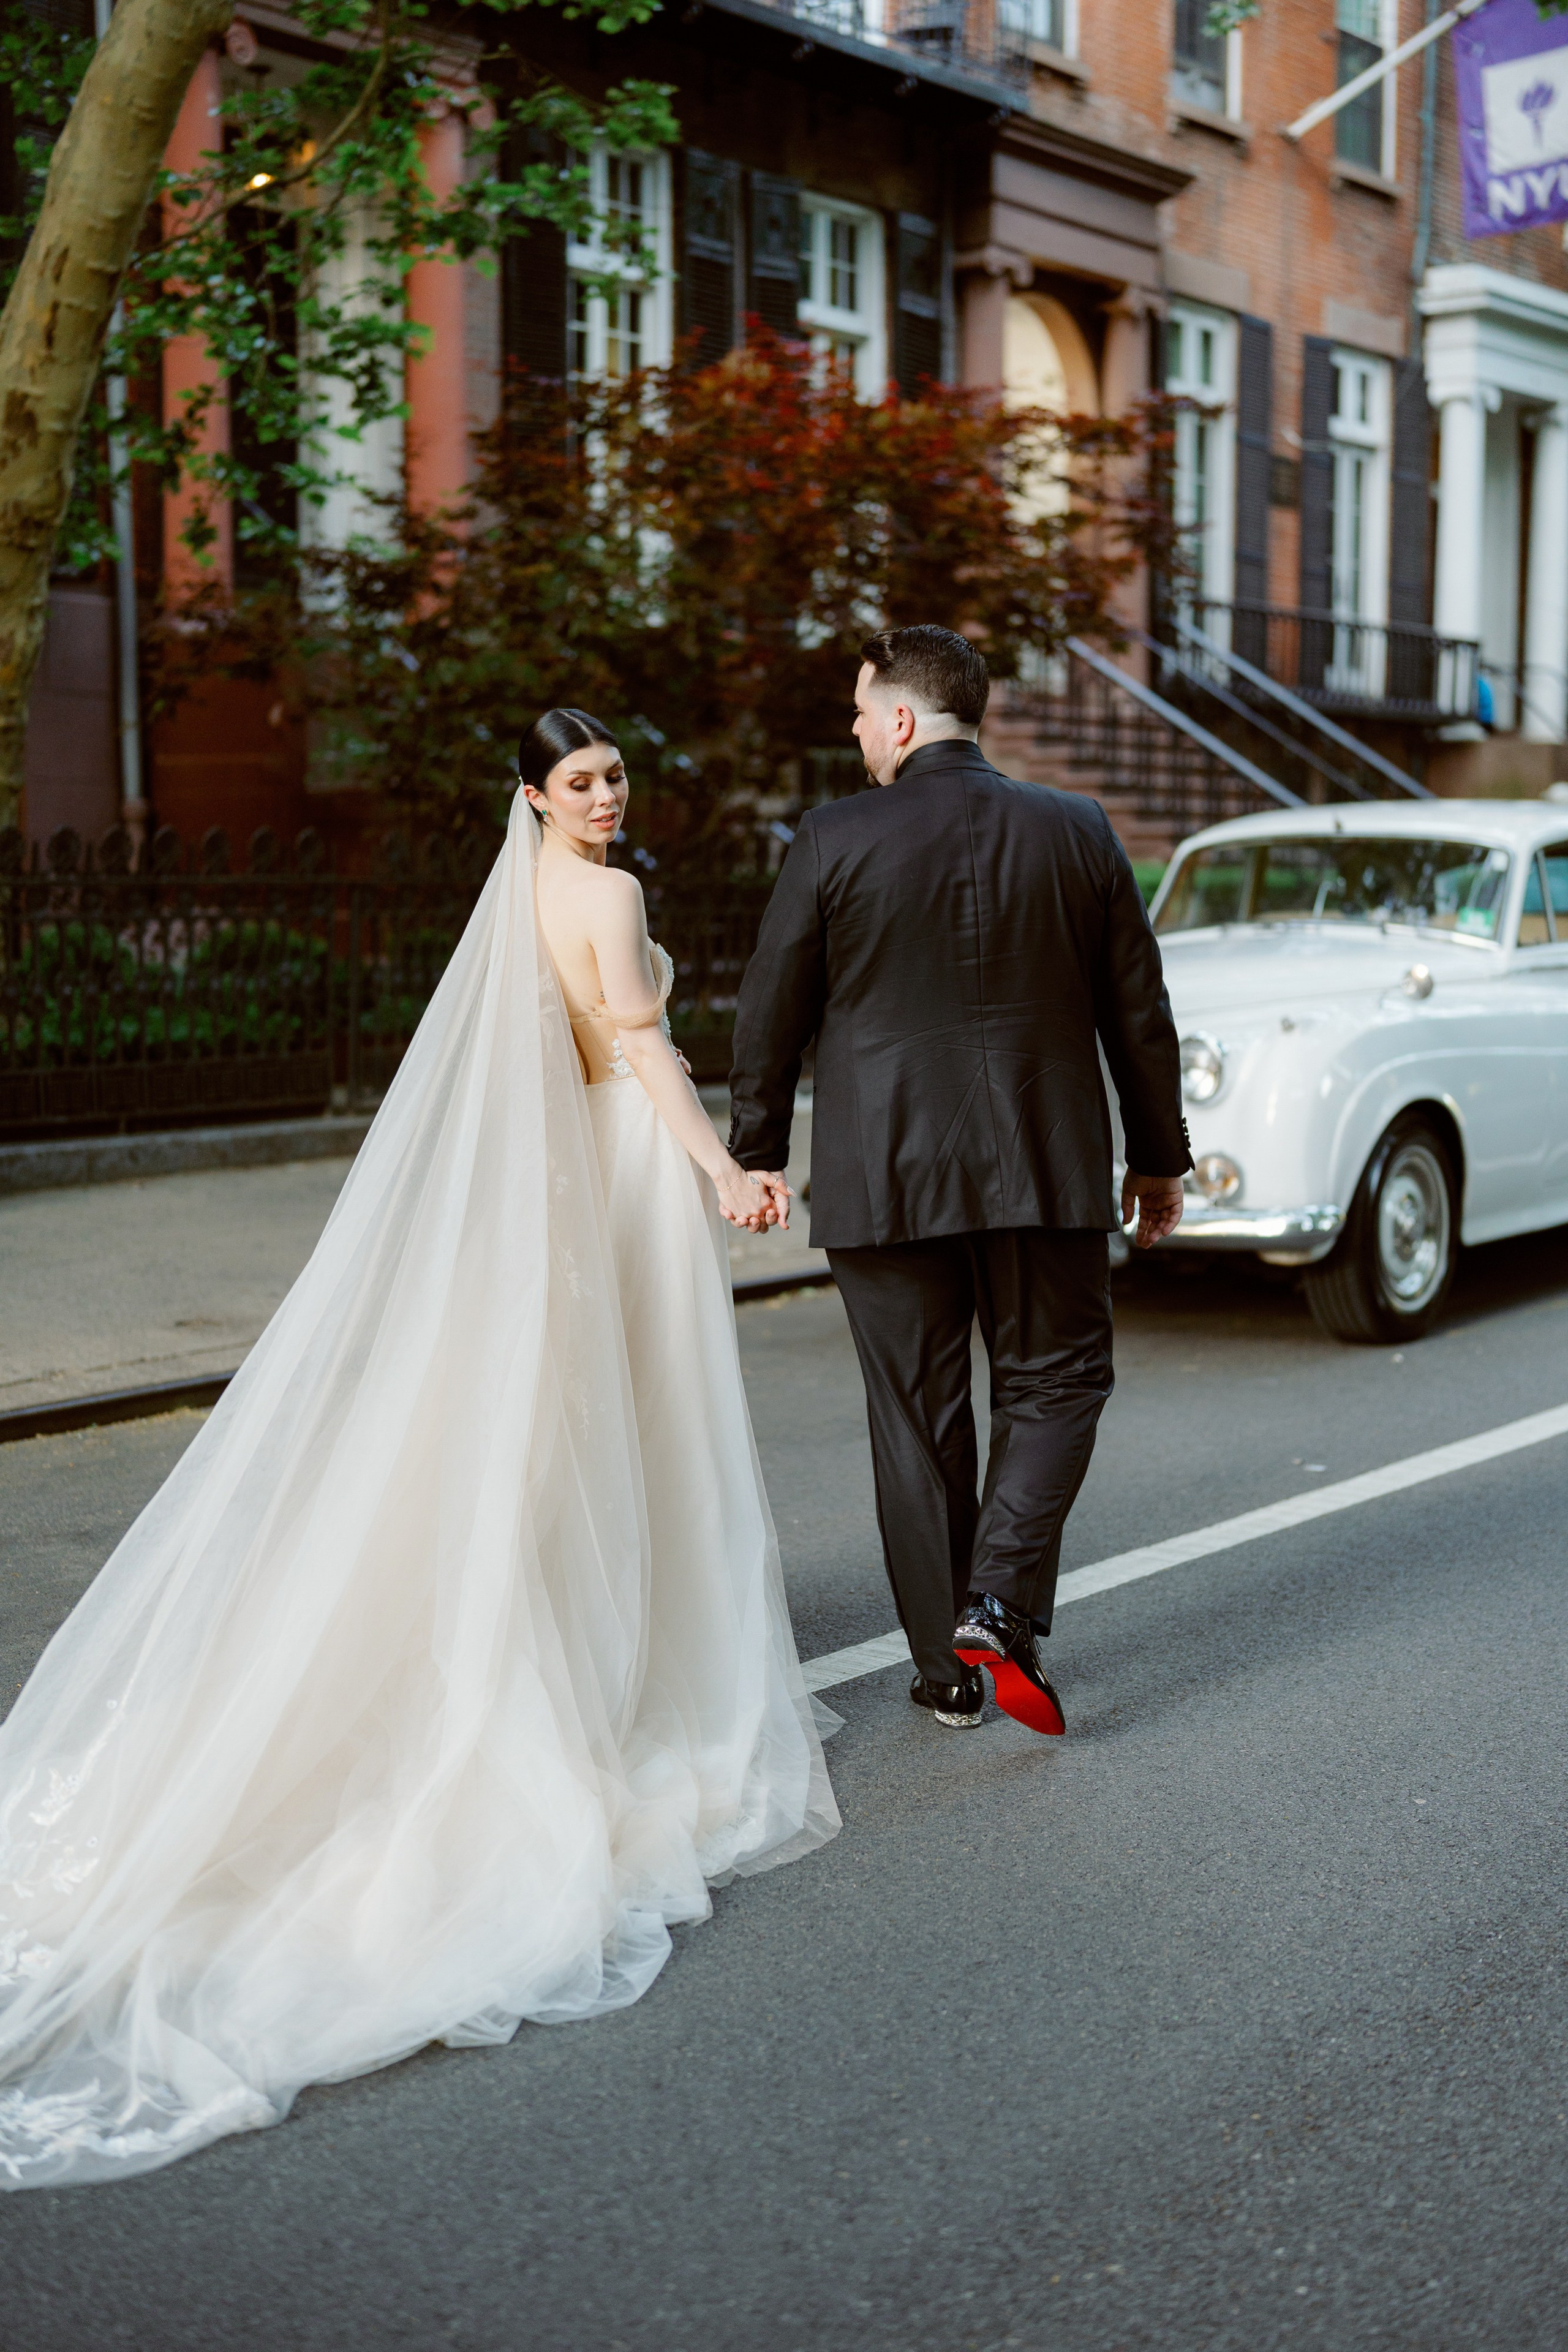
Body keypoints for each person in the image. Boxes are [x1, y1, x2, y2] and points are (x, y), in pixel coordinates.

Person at [0, 709, 837, 2192]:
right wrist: (722, 1172)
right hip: (627, 1169)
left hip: (555, 1177)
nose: (604, 795)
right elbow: (642, 1054)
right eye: (579, 781)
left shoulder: (515, 895)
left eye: (614, 776)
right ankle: (637, 1685)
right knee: (650, 1430)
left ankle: (583, 1655)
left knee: (580, 1437)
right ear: (534, 795)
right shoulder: (612, 894)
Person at [727, 627, 1189, 1736]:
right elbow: (1140, 1009)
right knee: (1057, 1380)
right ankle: (999, 1602)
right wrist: (1158, 1154)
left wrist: (756, 1150)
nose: (852, 730)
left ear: (899, 718)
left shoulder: (833, 836)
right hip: (1042, 1163)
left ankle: (948, 1673)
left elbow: (769, 1001)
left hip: (883, 1176)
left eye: (857, 709)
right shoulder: (1077, 828)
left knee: (916, 1419)